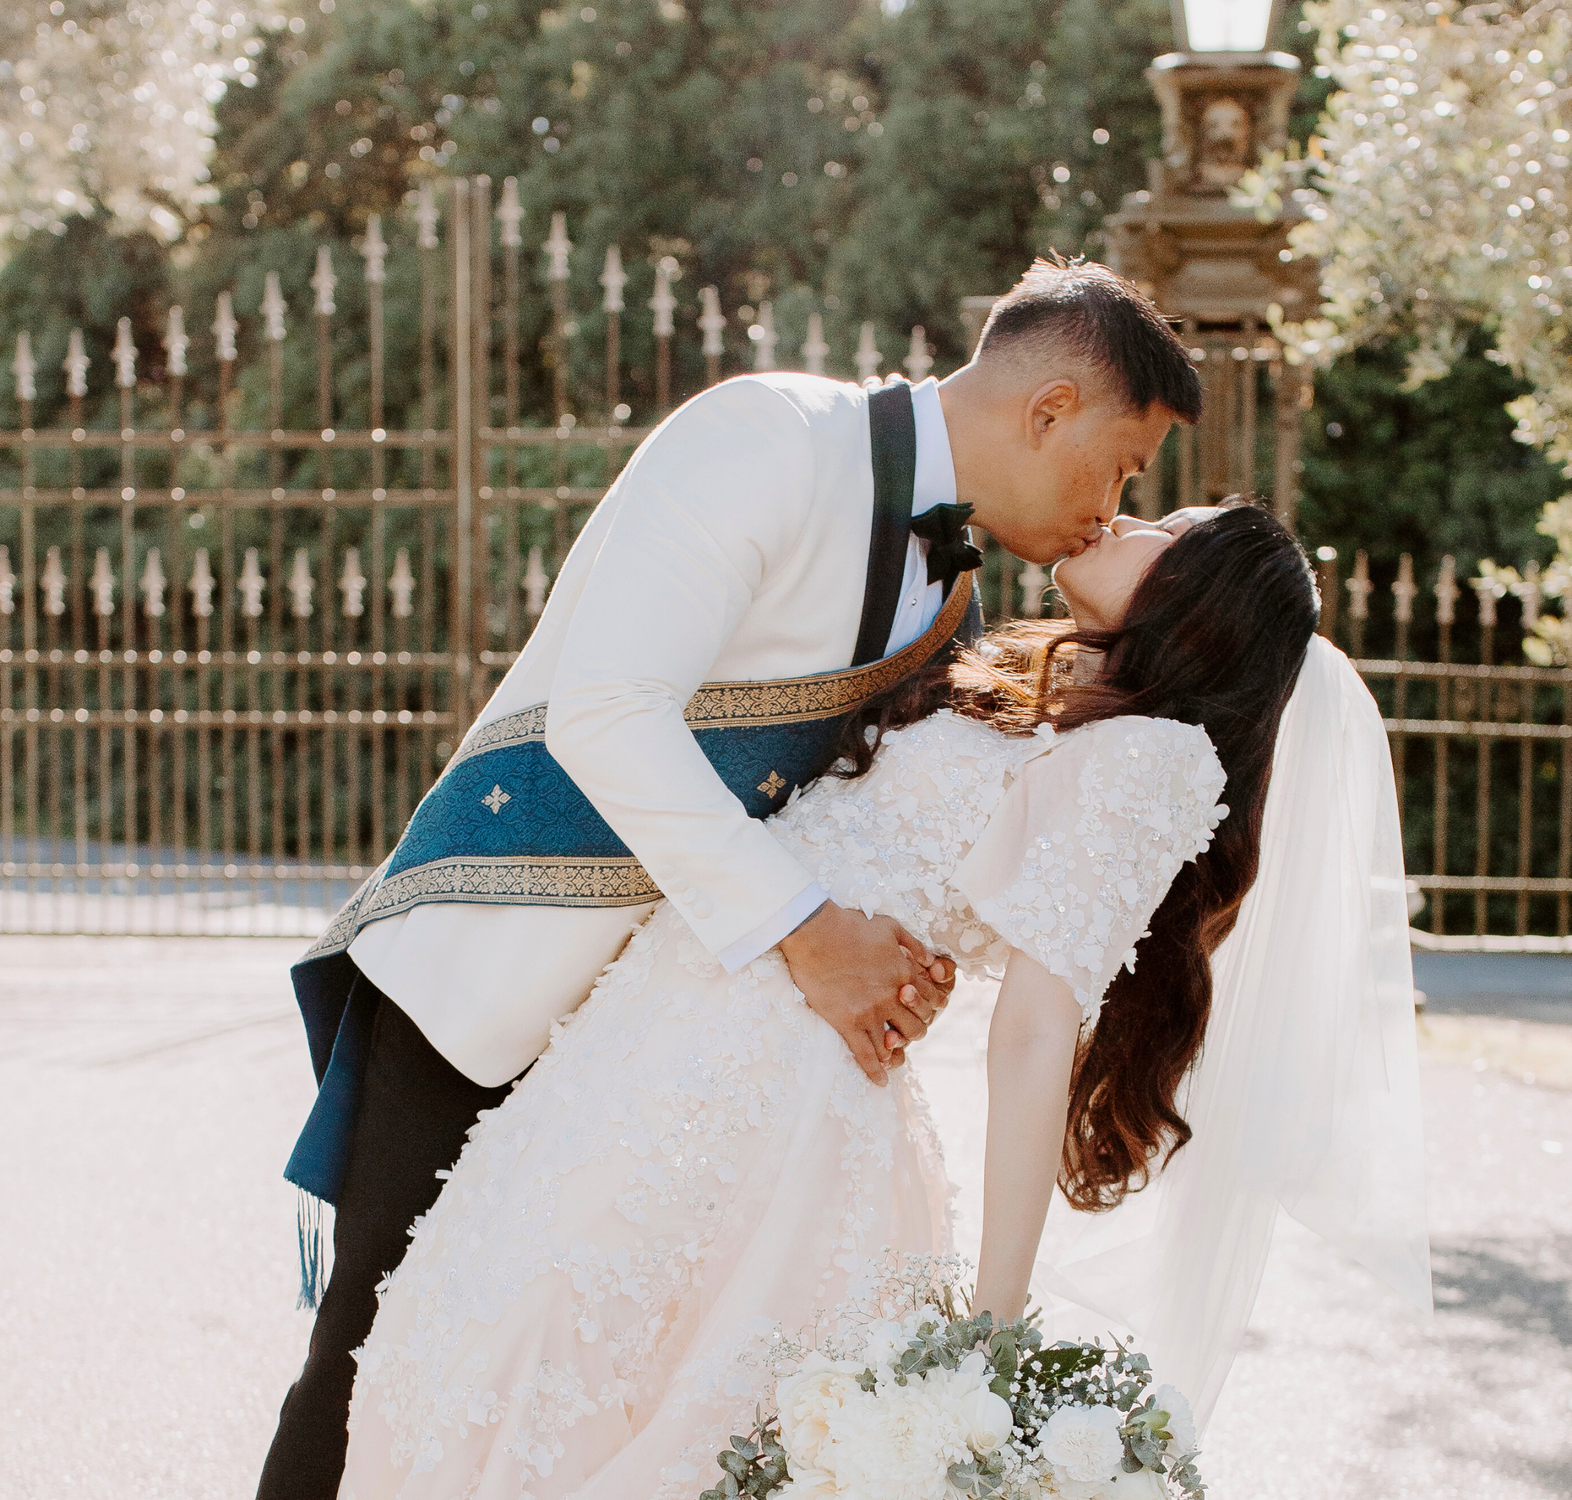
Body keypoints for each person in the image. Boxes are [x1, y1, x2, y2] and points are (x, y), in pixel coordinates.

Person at [255, 258, 1206, 1500]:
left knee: (587, 1420)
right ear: (1051, 409)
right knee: (376, 1376)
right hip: (500, 971)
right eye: (1123, 467)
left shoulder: (954, 597)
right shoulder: (764, 435)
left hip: (672, 1061)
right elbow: (607, 711)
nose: (1112, 502)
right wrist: (809, 930)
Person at [336, 502, 1433, 1499]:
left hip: (770, 1083)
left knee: (571, 1367)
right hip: (664, 1023)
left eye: (1168, 525)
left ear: (1204, 598)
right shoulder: (1045, 696)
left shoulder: (1154, 760)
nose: (1127, 513)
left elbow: (1039, 1023)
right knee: (474, 1340)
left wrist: (993, 1325)